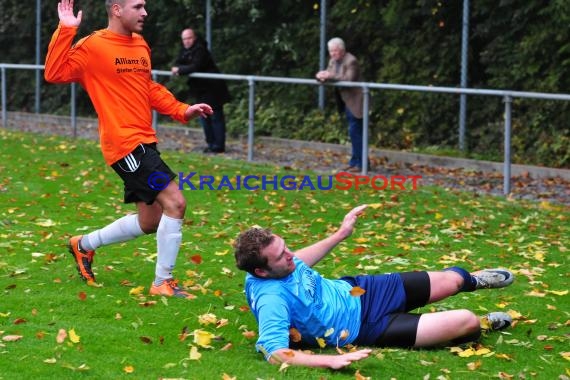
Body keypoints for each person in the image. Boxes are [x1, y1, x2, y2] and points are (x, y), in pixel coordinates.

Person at [44, 0, 213, 298]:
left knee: (151, 221)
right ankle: (163, 282)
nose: (145, 12)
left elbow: (147, 88)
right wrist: (66, 30)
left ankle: (83, 245)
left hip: (145, 141)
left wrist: (181, 110)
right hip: (124, 144)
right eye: (138, 6)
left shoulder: (139, 45)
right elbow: (54, 73)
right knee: (176, 202)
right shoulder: (94, 45)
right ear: (117, 10)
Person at [233, 204, 515, 369]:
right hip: (365, 327)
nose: (291, 255)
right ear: (261, 271)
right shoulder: (271, 300)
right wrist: (327, 362)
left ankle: (473, 280)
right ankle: (483, 324)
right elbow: (275, 353)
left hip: (361, 290)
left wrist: (341, 234)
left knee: (454, 280)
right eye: (282, 255)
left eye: (286, 247)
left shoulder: (279, 265)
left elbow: (300, 261)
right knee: (465, 320)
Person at [171, 28, 231, 154]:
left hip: (213, 89)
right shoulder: (186, 51)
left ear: (194, 38)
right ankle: (211, 144)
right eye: (184, 39)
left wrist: (180, 70)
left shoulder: (200, 50)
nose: (186, 41)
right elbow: (177, 63)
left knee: (215, 117)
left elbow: (195, 66)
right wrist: (179, 68)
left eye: (189, 38)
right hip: (201, 90)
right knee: (204, 117)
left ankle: (218, 146)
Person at [316, 37, 367, 173]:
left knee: (355, 131)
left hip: (356, 100)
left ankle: (361, 163)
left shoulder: (351, 61)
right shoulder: (333, 61)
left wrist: (329, 75)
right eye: (331, 51)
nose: (332, 54)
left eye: (335, 51)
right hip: (345, 100)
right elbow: (329, 75)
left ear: (342, 50)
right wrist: (321, 76)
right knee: (353, 132)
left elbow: (348, 79)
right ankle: (356, 162)